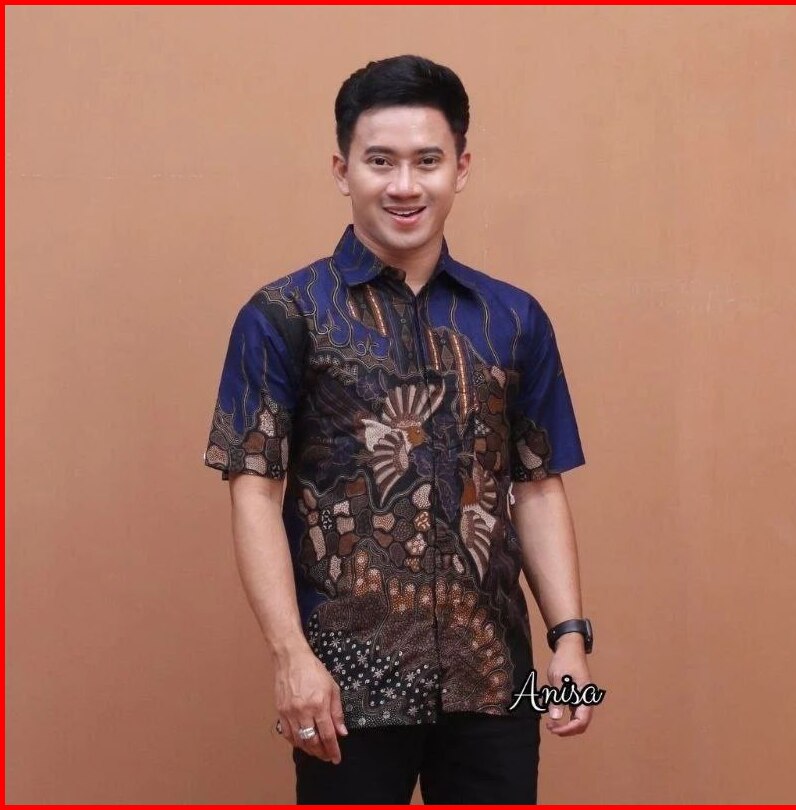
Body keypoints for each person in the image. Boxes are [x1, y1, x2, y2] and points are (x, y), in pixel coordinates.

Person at [203, 54, 596, 805]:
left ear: (461, 169)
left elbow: (538, 487)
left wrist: (570, 638)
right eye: (380, 161)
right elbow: (254, 493)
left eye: (427, 161)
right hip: (344, 685)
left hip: (494, 679)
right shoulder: (284, 316)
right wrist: (290, 657)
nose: (405, 185)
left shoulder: (513, 319)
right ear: (342, 169)